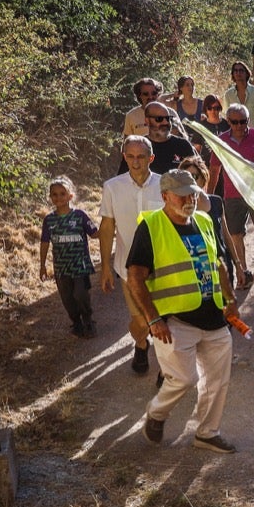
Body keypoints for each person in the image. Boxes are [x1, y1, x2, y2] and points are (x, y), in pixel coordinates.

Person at [126, 169, 238, 453]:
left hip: (213, 316)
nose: (190, 199)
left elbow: (218, 263)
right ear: (165, 196)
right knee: (185, 379)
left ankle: (207, 433)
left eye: (193, 193)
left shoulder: (203, 220)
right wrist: (152, 319)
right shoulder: (151, 226)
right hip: (173, 320)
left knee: (218, 380)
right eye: (182, 194)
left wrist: (229, 298)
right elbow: (135, 276)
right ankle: (157, 412)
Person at [98, 136, 164, 374]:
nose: (135, 163)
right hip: (127, 268)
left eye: (141, 157)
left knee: (162, 317)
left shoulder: (164, 185)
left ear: (151, 158)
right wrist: (105, 266)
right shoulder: (112, 187)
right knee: (141, 320)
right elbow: (106, 228)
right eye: (130, 156)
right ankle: (141, 343)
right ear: (124, 157)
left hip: (162, 267)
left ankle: (164, 368)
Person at [205, 102, 254, 286]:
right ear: (228, 121)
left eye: (243, 121)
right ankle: (244, 271)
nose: (239, 126)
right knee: (235, 233)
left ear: (248, 120)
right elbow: (214, 169)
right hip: (232, 195)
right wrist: (209, 196)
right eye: (234, 122)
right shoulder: (221, 141)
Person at [39, 176, 98, 338]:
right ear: (50, 197)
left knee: (80, 294)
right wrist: (42, 265)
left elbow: (95, 234)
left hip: (80, 266)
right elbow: (44, 243)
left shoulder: (80, 215)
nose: (58, 198)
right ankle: (76, 323)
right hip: (61, 268)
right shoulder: (49, 220)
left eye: (62, 194)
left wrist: (113, 227)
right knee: (68, 299)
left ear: (70, 196)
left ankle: (88, 320)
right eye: (54, 194)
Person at [118, 100, 196, 176]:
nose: (165, 123)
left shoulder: (183, 146)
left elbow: (199, 175)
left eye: (168, 118)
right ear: (147, 121)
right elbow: (122, 180)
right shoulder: (138, 147)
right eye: (159, 119)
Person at [224, 60, 254, 135]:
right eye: (235, 71)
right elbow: (227, 117)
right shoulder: (228, 95)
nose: (238, 73)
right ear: (233, 74)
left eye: (241, 70)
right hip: (237, 137)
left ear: (246, 73)